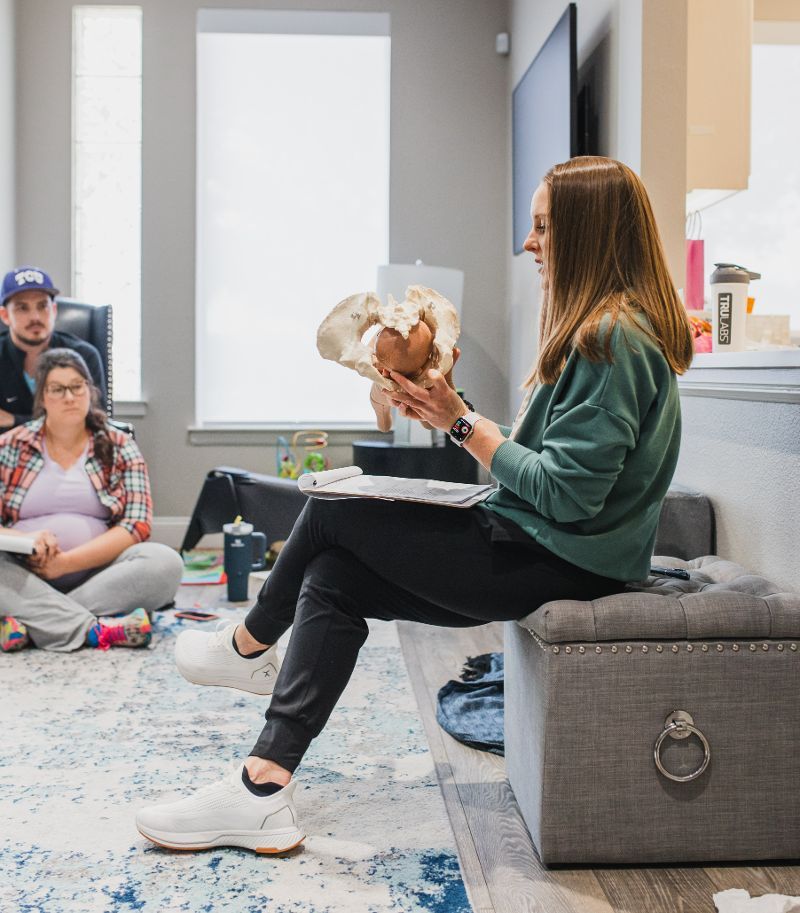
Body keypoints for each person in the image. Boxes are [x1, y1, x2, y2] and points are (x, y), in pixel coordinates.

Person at [135, 156, 694, 854]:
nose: (529, 242)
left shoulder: (610, 339)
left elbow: (568, 494)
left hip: (561, 558)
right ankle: (262, 788)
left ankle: (248, 645)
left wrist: (461, 421)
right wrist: (450, 414)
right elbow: (547, 466)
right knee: (333, 576)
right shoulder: (609, 333)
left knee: (334, 509)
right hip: (546, 543)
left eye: (544, 226)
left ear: (589, 231)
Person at [0, 348, 182, 652]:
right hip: (24, 572)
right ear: (42, 397)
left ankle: (30, 622)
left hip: (101, 574)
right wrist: (26, 539)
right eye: (58, 389)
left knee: (165, 564)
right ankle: (96, 629)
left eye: (77, 386)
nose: (69, 397)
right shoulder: (10, 445)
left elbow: (137, 524)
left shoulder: (120, 445)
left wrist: (66, 563)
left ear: (90, 391)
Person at [0, 266, 106, 430]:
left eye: (42, 306)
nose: (35, 317)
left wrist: (15, 420)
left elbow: (95, 423)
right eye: (23, 308)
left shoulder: (84, 355)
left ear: (54, 311)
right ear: (5, 315)